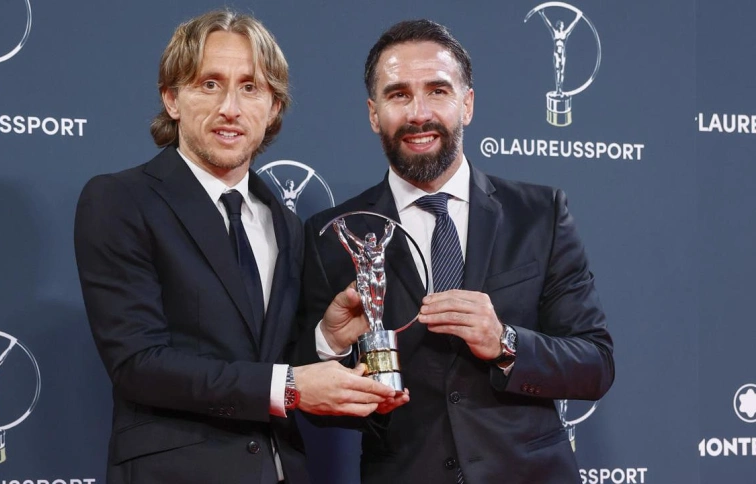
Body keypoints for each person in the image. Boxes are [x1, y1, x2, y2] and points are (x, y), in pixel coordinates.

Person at [74, 10, 398, 484]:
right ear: (172, 99)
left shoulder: (286, 223)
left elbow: (272, 359)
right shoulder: (120, 200)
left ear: (272, 109)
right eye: (209, 84)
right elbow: (137, 364)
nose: (231, 107)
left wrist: (326, 340)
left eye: (251, 87)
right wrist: (289, 386)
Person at [294, 19, 614, 484]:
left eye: (438, 91)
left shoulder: (540, 214)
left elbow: (594, 365)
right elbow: (308, 398)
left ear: (467, 104)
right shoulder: (332, 234)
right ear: (372, 112)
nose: (418, 113)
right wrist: (331, 342)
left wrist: (505, 341)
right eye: (398, 94)